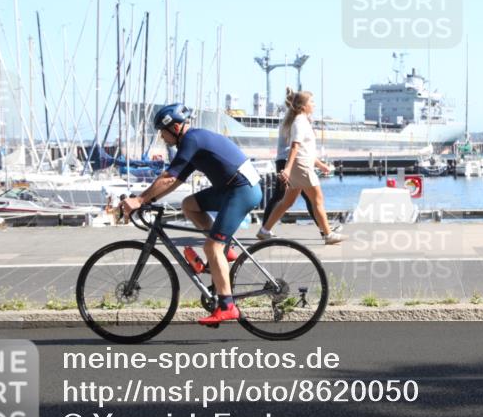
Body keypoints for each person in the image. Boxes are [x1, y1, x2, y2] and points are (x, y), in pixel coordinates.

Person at [120, 103, 262, 325]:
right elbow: (174, 180)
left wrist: (139, 200)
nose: (161, 136)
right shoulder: (192, 142)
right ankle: (226, 251)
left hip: (241, 190)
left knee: (211, 247)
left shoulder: (191, 140)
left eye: (162, 131)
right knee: (190, 204)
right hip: (232, 188)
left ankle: (227, 306)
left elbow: (168, 178)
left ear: (175, 128)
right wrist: (149, 199)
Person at [257, 89, 346, 244]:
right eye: (311, 101)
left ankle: (264, 230)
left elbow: (307, 149)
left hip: (302, 164)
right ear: (303, 106)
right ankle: (328, 234)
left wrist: (320, 164)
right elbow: (295, 146)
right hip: (301, 166)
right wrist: (288, 169)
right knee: (317, 198)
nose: (314, 104)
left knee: (287, 201)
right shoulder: (299, 122)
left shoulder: (302, 121)